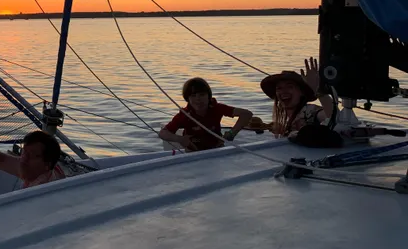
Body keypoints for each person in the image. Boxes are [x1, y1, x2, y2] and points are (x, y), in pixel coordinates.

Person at [260, 57, 405, 146]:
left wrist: (318, 90)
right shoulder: (282, 117)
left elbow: (333, 118)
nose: (283, 91)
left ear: (301, 92)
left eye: (290, 87)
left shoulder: (310, 111)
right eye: (279, 88)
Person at [159, 77, 253, 152]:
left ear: (209, 96)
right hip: (193, 154)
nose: (198, 99)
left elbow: (246, 114)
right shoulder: (185, 115)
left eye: (202, 95)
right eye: (193, 96)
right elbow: (163, 133)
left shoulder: (217, 108)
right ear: (188, 99)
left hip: (217, 151)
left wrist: (232, 133)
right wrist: (180, 139)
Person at [0, 119, 65, 188]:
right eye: (24, 151)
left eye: (32, 155)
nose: (24, 158)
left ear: (47, 164)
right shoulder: (31, 169)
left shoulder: (44, 188)